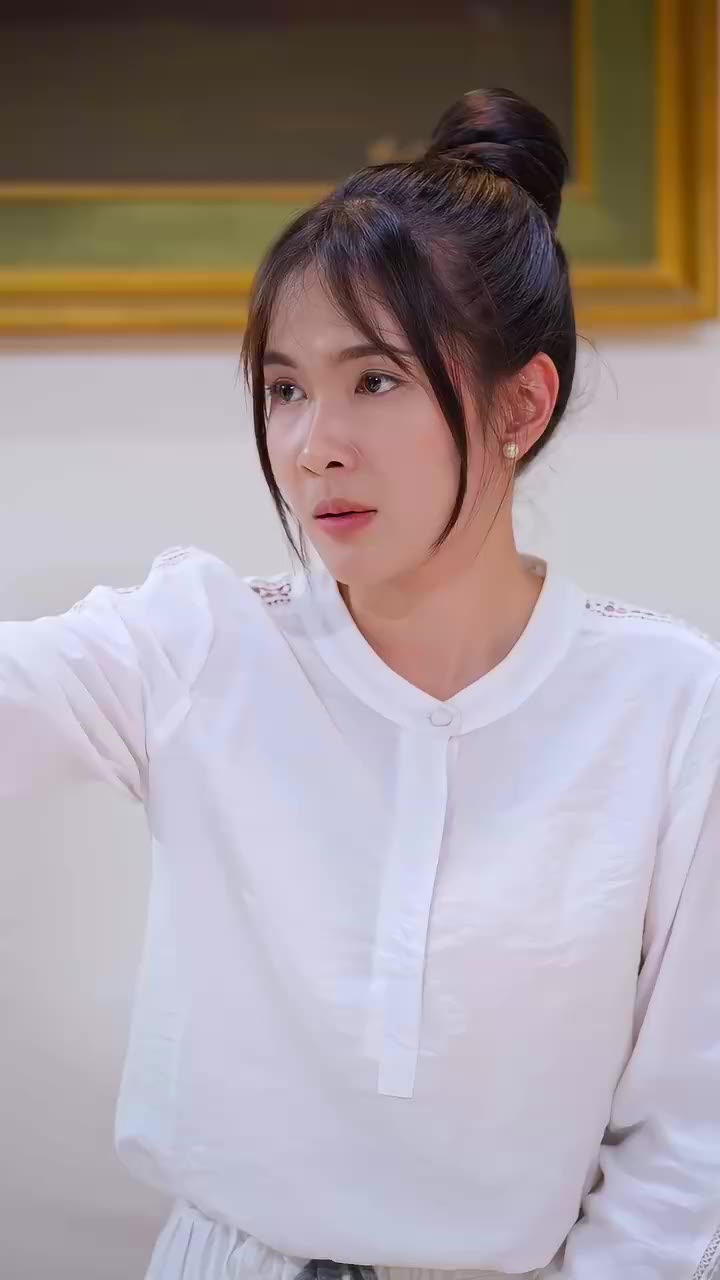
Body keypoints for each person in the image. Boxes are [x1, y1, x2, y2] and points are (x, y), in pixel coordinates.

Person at [1, 87, 719, 1280]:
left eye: (374, 380)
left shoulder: (670, 706)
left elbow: (691, 1137)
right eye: (285, 387)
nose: (311, 444)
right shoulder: (201, 643)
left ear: (521, 403)